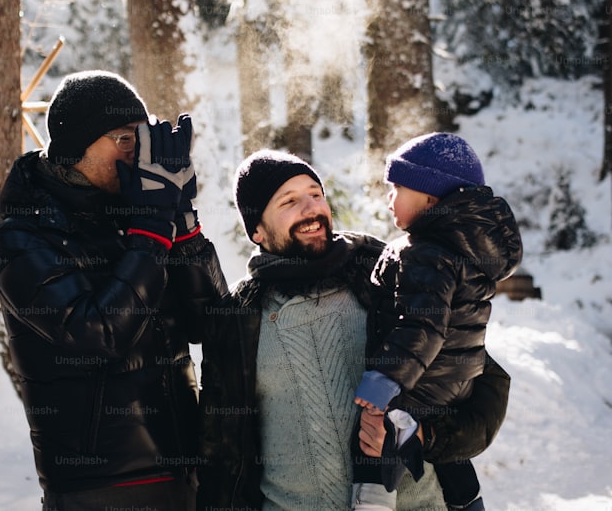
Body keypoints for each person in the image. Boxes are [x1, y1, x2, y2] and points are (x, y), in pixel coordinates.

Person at [197, 149, 512, 511]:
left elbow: (484, 385)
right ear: (257, 229)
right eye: (290, 201)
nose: (311, 209)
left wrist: (424, 436)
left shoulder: (387, 274)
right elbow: (222, 453)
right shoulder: (237, 318)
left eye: (316, 194)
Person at [0, 70, 228, 511]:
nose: (138, 154)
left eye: (142, 138)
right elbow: (99, 335)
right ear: (75, 147)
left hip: (184, 469)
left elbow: (216, 328)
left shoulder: (136, 216)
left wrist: (183, 225)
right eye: (123, 139)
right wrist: (152, 232)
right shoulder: (24, 238)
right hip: (99, 487)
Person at [352, 132, 523, 511]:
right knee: (452, 461)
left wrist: (384, 380)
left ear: (430, 198)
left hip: (419, 384)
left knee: (373, 440)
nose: (389, 197)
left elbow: (422, 327)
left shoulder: (424, 253)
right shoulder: (467, 252)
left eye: (397, 187)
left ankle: (372, 502)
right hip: (457, 383)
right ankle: (467, 502)